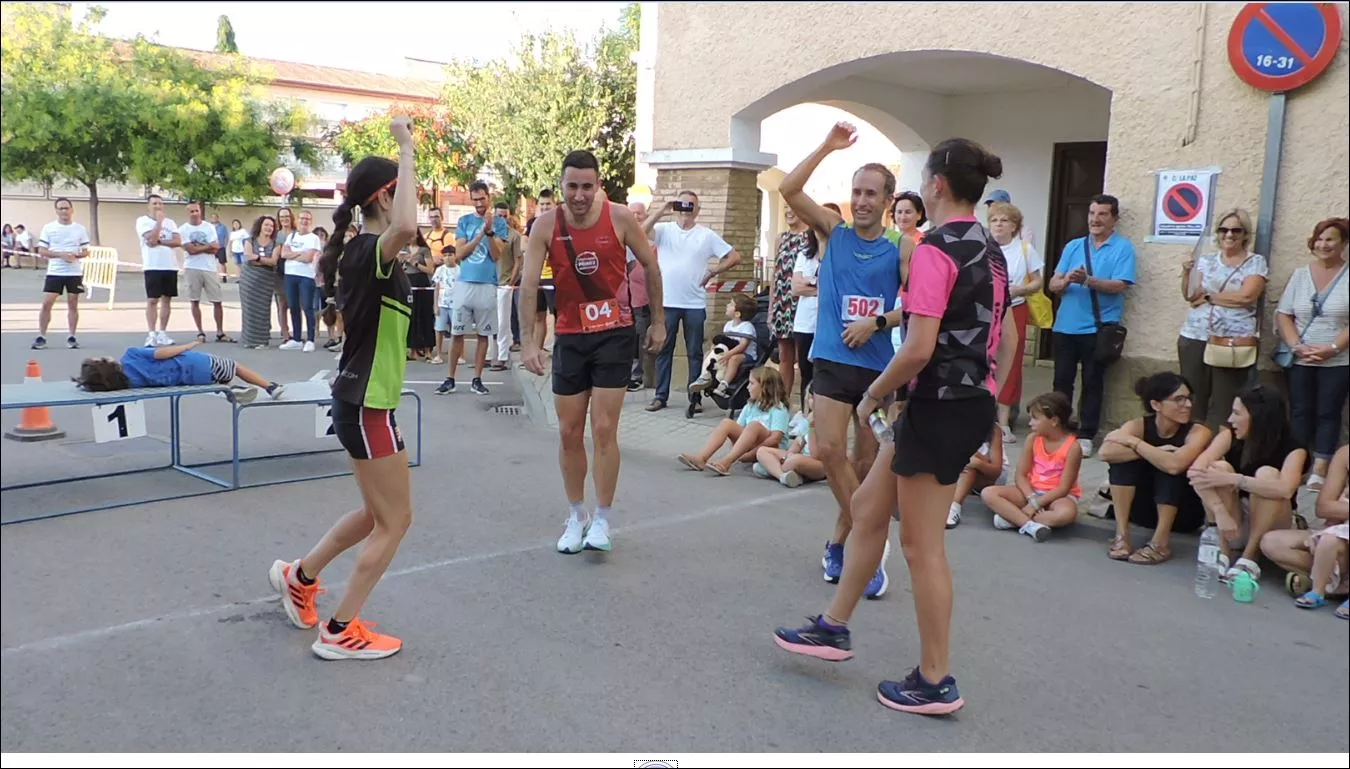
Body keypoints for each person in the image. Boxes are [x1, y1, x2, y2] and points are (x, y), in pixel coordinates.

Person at [774, 137, 1018, 717]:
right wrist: (996, 402)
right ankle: (834, 625)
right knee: (867, 508)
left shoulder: (934, 249)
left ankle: (936, 678)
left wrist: (874, 397)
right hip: (958, 402)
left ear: (935, 185)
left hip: (936, 404)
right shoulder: (992, 249)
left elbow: (916, 347)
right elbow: (1005, 335)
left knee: (920, 545)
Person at [268, 116, 420, 660]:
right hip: (366, 405)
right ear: (385, 195)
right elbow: (404, 226)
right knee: (396, 521)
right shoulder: (368, 249)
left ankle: (300, 575)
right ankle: (339, 631)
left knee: (376, 515)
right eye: (405, 188)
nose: (414, 198)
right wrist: (406, 147)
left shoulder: (372, 254)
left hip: (367, 402)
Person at [775, 122, 906, 593]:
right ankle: (869, 543)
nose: (863, 200)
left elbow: (919, 303)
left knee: (867, 469)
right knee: (829, 449)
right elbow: (789, 188)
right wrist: (828, 147)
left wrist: (879, 322)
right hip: (830, 357)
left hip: (877, 367)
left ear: (888, 200)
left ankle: (840, 543)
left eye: (872, 192)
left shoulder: (902, 247)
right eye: (857, 192)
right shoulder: (834, 230)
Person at [519, 149, 665, 555]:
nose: (579, 195)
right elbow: (529, 285)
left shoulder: (620, 218)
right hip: (569, 336)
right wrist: (529, 341)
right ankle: (577, 514)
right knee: (568, 432)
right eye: (572, 187)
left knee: (603, 429)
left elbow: (651, 267)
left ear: (598, 185)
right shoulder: (545, 225)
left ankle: (603, 517)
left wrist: (657, 321)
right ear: (561, 186)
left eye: (587, 186)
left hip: (613, 335)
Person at [1188, 385, 1307, 583]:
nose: (1230, 420)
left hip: (1275, 524)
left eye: (1236, 413)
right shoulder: (1229, 436)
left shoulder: (1293, 447)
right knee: (1219, 468)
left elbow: (1286, 490)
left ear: (1258, 416)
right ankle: (1223, 551)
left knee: (1267, 475)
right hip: (1232, 522)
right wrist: (1219, 512)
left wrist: (1236, 480)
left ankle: (1250, 557)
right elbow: (1195, 472)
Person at [1047, 194, 1136, 457]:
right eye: (1092, 213)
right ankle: (1059, 428)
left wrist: (1087, 280)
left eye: (1102, 214)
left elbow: (1120, 285)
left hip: (1098, 328)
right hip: (1065, 326)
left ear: (1114, 219)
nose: (1095, 219)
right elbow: (1053, 283)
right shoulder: (1074, 246)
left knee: (1093, 382)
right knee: (1061, 381)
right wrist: (1064, 283)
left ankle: (1086, 433)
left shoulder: (1123, 248)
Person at [641, 190, 741, 413]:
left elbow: (734, 256)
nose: (686, 208)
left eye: (691, 205)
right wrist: (662, 209)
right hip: (667, 301)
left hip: (694, 304)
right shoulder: (665, 230)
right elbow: (641, 232)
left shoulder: (706, 235)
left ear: (698, 210)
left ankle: (694, 398)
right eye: (683, 204)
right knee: (663, 349)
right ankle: (660, 395)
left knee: (694, 351)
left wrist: (715, 270)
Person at [1098, 372, 1211, 564]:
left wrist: (1135, 444)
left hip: (1183, 514)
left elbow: (1175, 466)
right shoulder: (1138, 425)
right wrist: (1157, 451)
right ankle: (1122, 535)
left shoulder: (1199, 431)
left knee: (1168, 467)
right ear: (1156, 405)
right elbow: (1105, 453)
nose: (1188, 405)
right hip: (1141, 511)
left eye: (1189, 399)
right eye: (1179, 399)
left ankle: (1161, 543)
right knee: (1123, 464)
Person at [1275, 217, 1348, 490]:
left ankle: (1320, 467)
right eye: (1319, 238)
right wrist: (1296, 346)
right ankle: (1297, 463)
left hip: (1339, 358)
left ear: (1343, 243)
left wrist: (1332, 348)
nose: (1323, 244)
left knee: (1328, 412)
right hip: (1301, 355)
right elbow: (1284, 314)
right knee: (1300, 411)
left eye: (1330, 239)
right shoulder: (1300, 275)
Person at [1176, 208, 1267, 428]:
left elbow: (1246, 296)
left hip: (1231, 340)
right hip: (1196, 336)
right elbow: (1190, 296)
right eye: (1223, 229)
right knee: (1193, 397)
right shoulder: (1207, 261)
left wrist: (1209, 296)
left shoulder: (1255, 262)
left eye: (1236, 230)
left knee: (1225, 400)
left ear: (1246, 234)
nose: (1229, 235)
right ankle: (1192, 447)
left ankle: (1218, 452)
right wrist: (1187, 272)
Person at [980, 392, 1083, 541]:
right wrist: (1031, 498)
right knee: (988, 493)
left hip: (1058, 496)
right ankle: (1030, 525)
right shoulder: (1032, 439)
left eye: (1035, 418)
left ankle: (1013, 519)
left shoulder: (1073, 447)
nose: (1030, 423)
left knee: (1066, 514)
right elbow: (1021, 475)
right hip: (1031, 491)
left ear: (1054, 421)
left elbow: (1063, 488)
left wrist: (1036, 504)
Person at [1261, 444, 1348, 618]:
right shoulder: (1345, 454)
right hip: (1337, 532)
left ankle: (1323, 584)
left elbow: (1333, 507)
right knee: (1271, 542)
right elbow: (1323, 508)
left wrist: (1341, 507)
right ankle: (1330, 584)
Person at [438, 181, 505, 396]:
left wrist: (490, 233)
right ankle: (450, 378)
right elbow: (459, 254)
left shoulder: (500, 222)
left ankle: (477, 378)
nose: (478, 203)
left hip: (487, 284)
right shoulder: (464, 221)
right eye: (474, 199)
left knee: (483, 335)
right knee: (457, 332)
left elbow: (497, 255)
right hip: (465, 283)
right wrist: (479, 235)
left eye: (482, 199)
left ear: (489, 197)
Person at [987, 201, 1043, 444]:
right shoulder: (983, 248)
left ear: (1014, 226)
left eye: (1004, 221)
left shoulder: (1025, 249)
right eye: (994, 220)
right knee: (986, 360)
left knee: (1011, 362)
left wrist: (1020, 289)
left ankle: (1003, 421)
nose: (998, 225)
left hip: (1015, 309)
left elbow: (1038, 282)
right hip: (986, 312)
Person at [73, 341, 283, 403]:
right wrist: (188, 345)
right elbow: (163, 353)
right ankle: (270, 387)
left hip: (193, 381)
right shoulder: (131, 355)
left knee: (216, 379)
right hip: (197, 365)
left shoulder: (129, 383)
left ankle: (228, 389)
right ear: (106, 363)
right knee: (235, 366)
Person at [678, 366, 791, 475]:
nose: (747, 387)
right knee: (727, 423)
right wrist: (742, 450)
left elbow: (775, 439)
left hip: (770, 451)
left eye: (752, 384)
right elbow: (738, 429)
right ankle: (701, 458)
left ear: (765, 387)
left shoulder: (778, 409)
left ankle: (726, 462)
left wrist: (752, 453)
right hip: (750, 447)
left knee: (754, 426)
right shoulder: (750, 406)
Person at [33, 197, 90, 350]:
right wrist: (61, 255)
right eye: (61, 208)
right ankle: (42, 336)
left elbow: (86, 251)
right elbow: (42, 251)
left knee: (73, 303)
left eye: (66, 208)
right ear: (56, 211)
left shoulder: (80, 229)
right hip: (55, 272)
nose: (64, 211)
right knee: (47, 303)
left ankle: (72, 336)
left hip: (74, 272)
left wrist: (75, 255)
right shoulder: (49, 228)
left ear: (72, 210)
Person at [771, 204, 812, 403]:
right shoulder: (781, 238)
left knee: (802, 357)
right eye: (786, 206)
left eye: (793, 207)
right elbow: (776, 273)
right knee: (784, 355)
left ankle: (805, 403)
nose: (789, 211)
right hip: (782, 303)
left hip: (801, 303)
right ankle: (782, 403)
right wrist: (771, 306)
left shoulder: (810, 237)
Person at [178, 201, 234, 344]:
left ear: (200, 212)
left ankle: (220, 332)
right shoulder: (183, 229)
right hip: (192, 268)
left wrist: (199, 247)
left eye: (196, 211)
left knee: (217, 300)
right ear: (188, 213)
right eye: (192, 211)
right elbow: (189, 249)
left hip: (209, 267)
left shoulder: (209, 227)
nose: (195, 214)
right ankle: (200, 332)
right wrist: (206, 246)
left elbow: (216, 248)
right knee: (194, 300)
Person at [690, 292, 758, 397]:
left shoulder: (746, 326)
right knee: (709, 354)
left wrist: (729, 354)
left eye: (731, 304)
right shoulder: (728, 325)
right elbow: (725, 341)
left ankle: (724, 384)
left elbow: (743, 345)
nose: (727, 305)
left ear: (737, 313)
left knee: (734, 359)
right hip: (729, 351)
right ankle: (705, 376)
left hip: (746, 355)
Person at [136, 195, 182, 348]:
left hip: (169, 265)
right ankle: (151, 334)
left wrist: (161, 241)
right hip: (152, 266)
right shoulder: (142, 221)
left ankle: (163, 332)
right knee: (152, 300)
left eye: (160, 203)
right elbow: (150, 239)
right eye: (155, 203)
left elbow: (177, 241)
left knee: (167, 300)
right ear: (148, 206)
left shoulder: (171, 222)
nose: (158, 206)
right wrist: (159, 222)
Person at [754, 391, 826, 488]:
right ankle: (782, 476)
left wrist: (812, 427)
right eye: (810, 398)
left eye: (815, 399)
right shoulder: (809, 418)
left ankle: (771, 469)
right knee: (761, 451)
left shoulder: (828, 422)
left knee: (794, 461)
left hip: (820, 464)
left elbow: (816, 454)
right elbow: (798, 443)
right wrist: (787, 455)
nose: (812, 402)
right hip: (801, 457)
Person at [621, 200, 655, 392]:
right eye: (632, 213)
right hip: (627, 300)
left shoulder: (651, 239)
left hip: (643, 300)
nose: (635, 217)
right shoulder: (624, 236)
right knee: (629, 339)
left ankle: (638, 376)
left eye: (639, 214)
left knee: (641, 338)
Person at [946, 422, 1007, 529]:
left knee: (970, 461)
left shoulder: (993, 430)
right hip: (960, 474)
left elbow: (996, 470)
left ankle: (954, 506)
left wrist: (978, 463)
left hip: (990, 477)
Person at [279, 210, 322, 352]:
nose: (305, 221)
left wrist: (293, 254)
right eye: (302, 218)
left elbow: (309, 257)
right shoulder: (291, 236)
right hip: (290, 275)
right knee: (293, 306)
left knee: (308, 307)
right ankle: (296, 339)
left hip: (306, 276)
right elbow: (284, 254)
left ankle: (310, 339)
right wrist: (299, 253)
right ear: (298, 220)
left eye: (308, 219)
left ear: (311, 221)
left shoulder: (313, 238)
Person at [239, 216, 278, 349]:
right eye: (266, 225)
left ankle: (262, 340)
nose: (269, 228)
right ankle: (249, 340)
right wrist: (263, 260)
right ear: (260, 226)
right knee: (249, 308)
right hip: (249, 279)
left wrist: (258, 257)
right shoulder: (250, 240)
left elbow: (273, 261)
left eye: (271, 226)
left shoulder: (275, 244)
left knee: (263, 310)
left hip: (266, 280)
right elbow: (248, 258)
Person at [491, 201, 522, 372]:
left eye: (504, 215)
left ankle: (502, 357)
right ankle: (490, 356)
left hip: (504, 284)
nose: (502, 218)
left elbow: (518, 260)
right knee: (488, 321)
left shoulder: (514, 236)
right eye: (499, 215)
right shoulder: (488, 234)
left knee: (503, 322)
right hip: (488, 282)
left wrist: (511, 281)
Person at [430, 249, 460, 366]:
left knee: (457, 330)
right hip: (442, 303)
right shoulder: (440, 270)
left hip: (456, 304)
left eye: (450, 255)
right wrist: (435, 305)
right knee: (439, 329)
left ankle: (459, 355)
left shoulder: (460, 270)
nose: (448, 258)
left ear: (455, 256)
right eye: (445, 255)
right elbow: (436, 288)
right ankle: (439, 354)